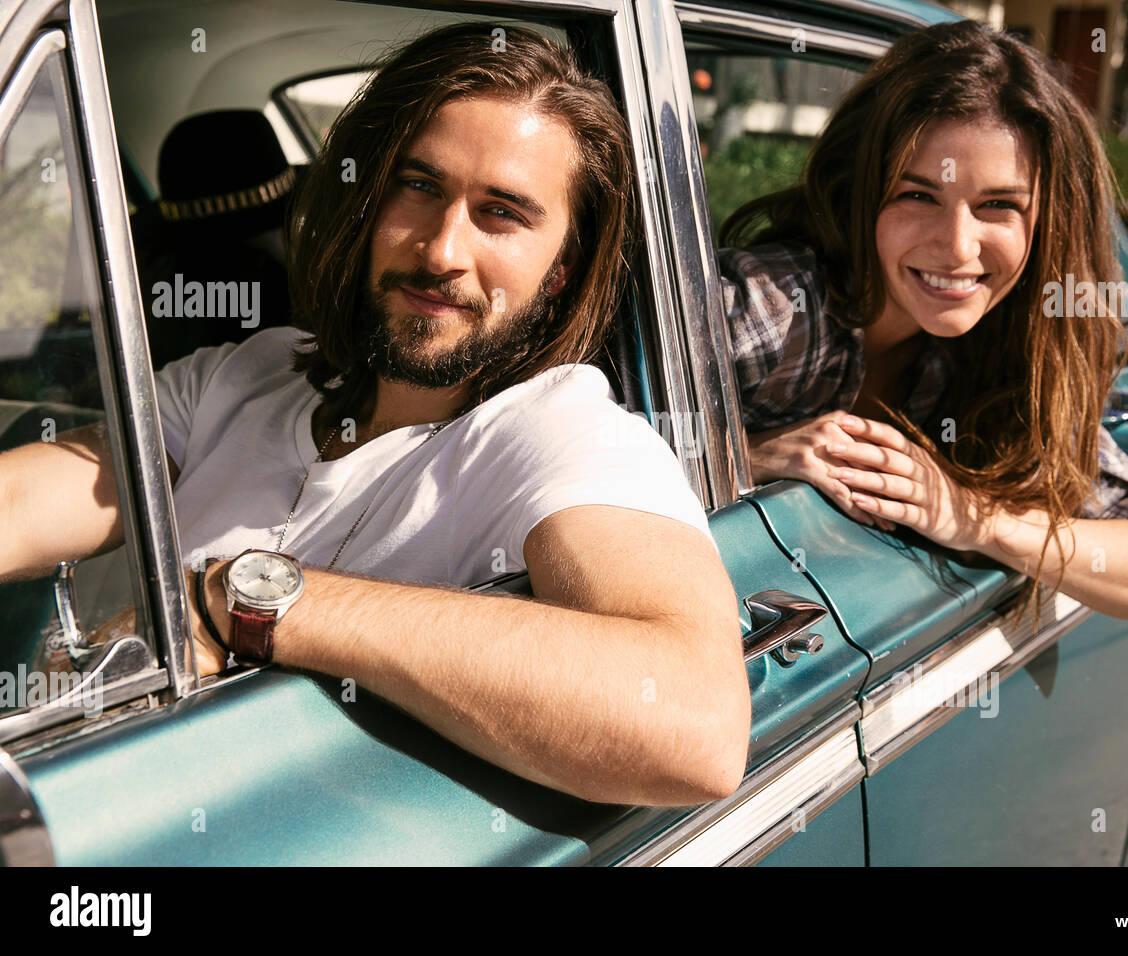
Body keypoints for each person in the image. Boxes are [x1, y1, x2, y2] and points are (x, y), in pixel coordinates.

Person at [0, 24, 749, 807]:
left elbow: (696, 726)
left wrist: (246, 599)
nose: (441, 250)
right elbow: (20, 505)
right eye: (419, 186)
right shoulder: (247, 375)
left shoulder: (558, 434)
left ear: (561, 271)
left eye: (502, 214)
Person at [717, 20, 1128, 627]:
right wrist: (747, 456)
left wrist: (969, 516)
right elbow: (576, 437)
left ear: (1047, 224)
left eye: (998, 205)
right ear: (861, 194)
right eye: (918, 195)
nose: (956, 248)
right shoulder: (777, 306)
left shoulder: (1010, 355)